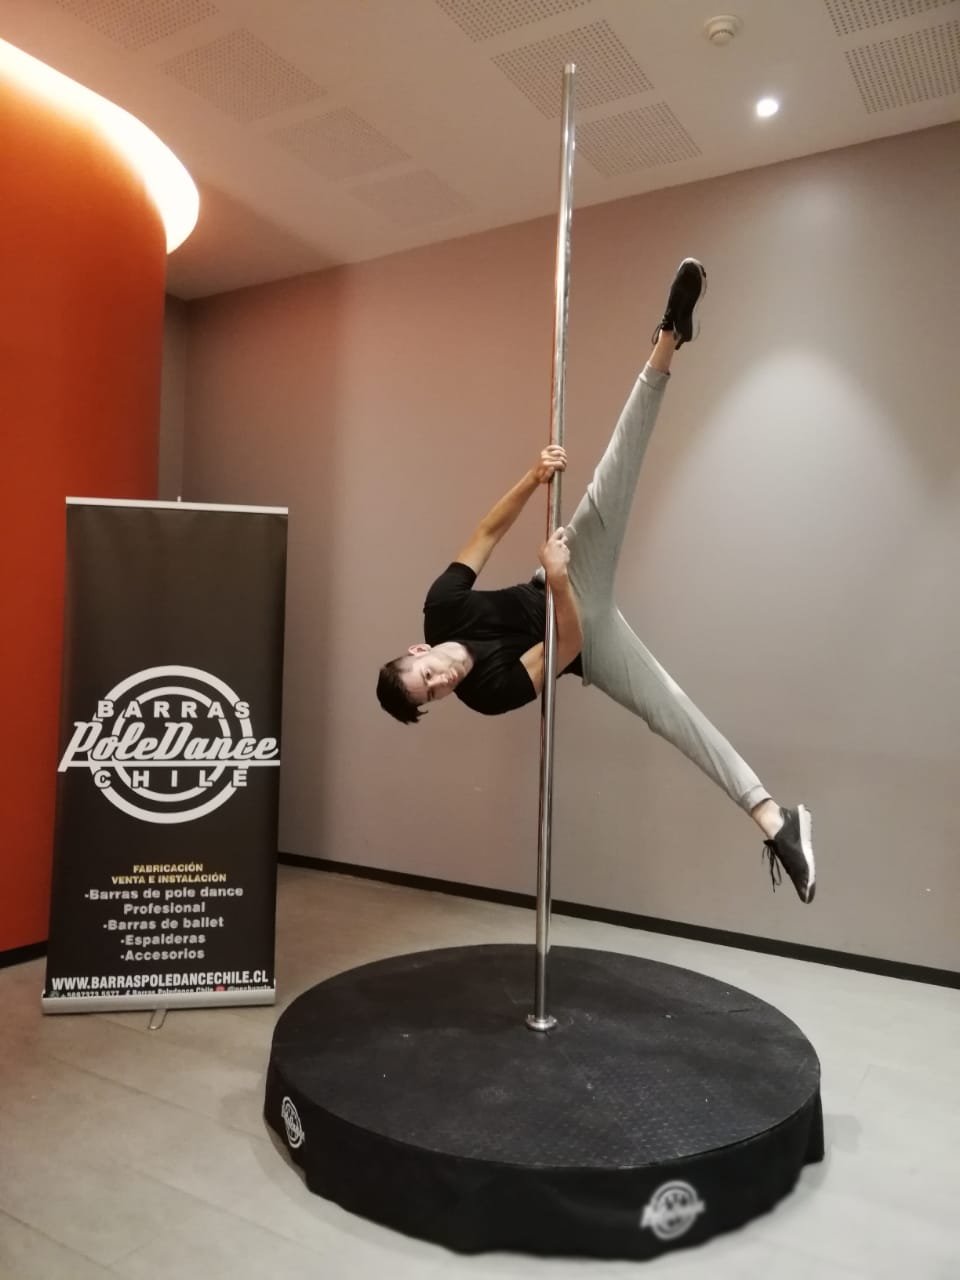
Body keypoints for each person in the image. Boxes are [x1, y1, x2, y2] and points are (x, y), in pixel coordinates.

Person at [377, 260, 815, 903]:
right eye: (434, 695)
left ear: (419, 650)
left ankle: (670, 336)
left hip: (565, 575)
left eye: (428, 675)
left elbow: (486, 533)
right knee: (673, 714)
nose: (442, 682)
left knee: (615, 470)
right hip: (585, 634)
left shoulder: (441, 608)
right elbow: (570, 643)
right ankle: (777, 820)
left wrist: (533, 478)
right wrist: (558, 580)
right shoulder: (487, 694)